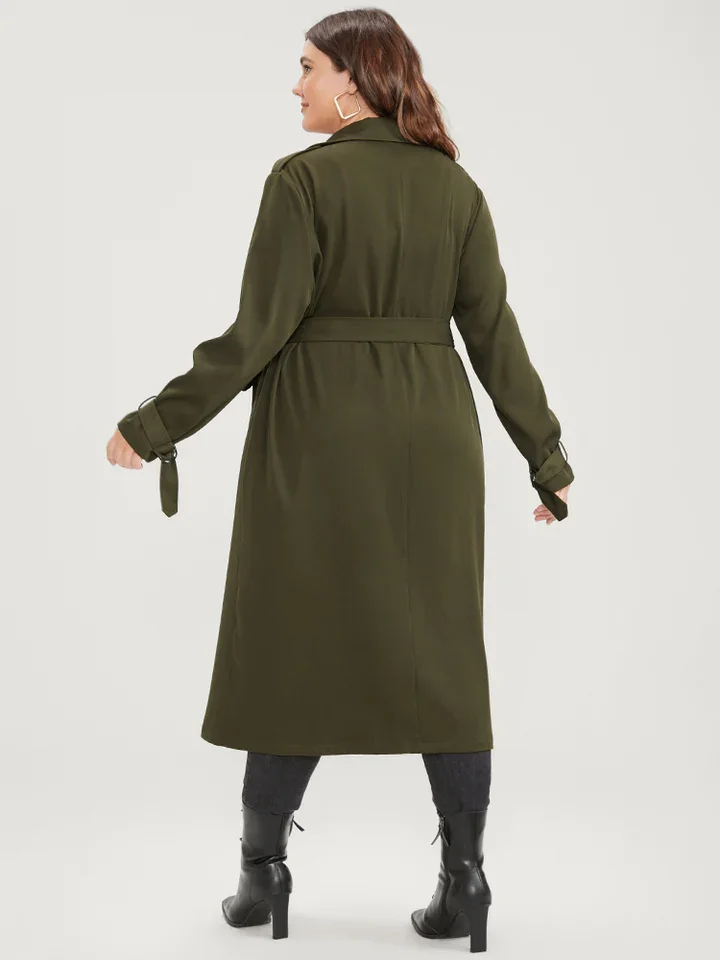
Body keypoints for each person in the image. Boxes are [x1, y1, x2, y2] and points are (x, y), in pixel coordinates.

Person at [106, 8, 574, 953]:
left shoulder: (303, 181)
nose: (297, 85)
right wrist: (546, 456)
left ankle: (262, 874)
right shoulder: (455, 188)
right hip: (433, 438)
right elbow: (495, 336)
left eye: (309, 68)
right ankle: (466, 881)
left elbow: (257, 334)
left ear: (354, 81)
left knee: (292, 644)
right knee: (445, 657)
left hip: (317, 434)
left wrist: (154, 425)